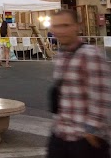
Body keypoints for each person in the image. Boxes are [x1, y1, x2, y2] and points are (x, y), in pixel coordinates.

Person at [47, 9, 111, 158]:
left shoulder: (90, 54)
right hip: (61, 133)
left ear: (77, 26)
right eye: (56, 26)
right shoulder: (61, 55)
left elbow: (102, 96)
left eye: (65, 25)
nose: (60, 31)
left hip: (83, 138)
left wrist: (92, 131)